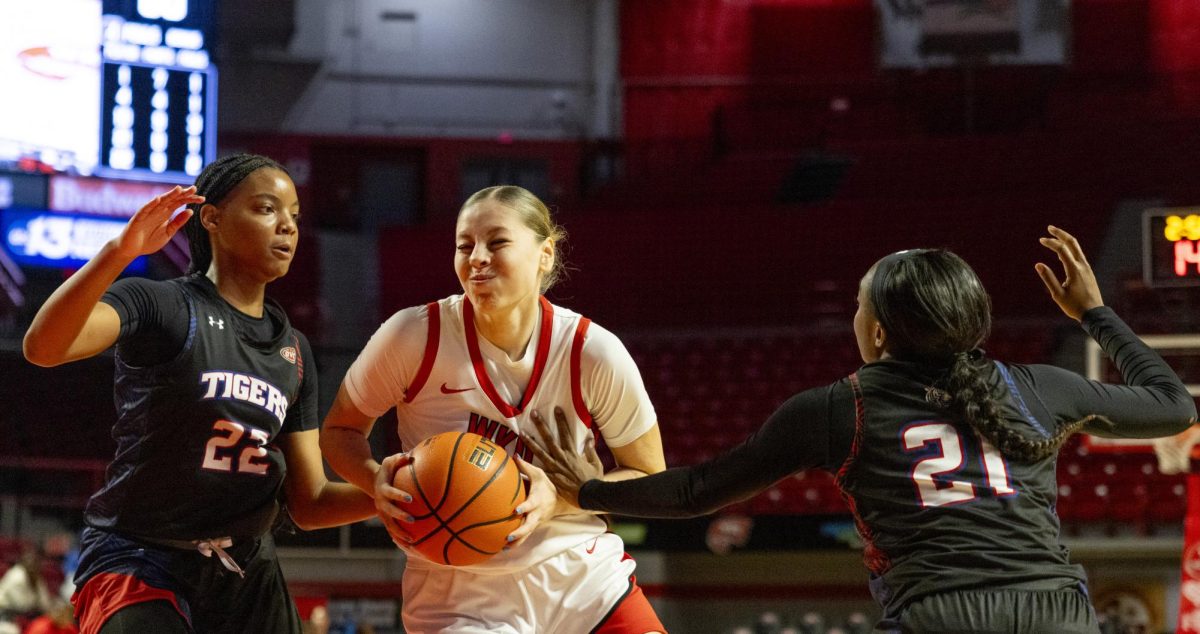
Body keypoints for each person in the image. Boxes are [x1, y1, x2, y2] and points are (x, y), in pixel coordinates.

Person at [523, 226, 1198, 634]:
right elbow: (1175, 405)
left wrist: (580, 492)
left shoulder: (837, 409)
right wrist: (1095, 313)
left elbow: (697, 490)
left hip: (942, 617)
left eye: (857, 305)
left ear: (875, 330)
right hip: (1058, 616)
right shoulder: (1039, 386)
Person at [23, 154, 378, 633]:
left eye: (294, 215)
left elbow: (310, 502)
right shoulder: (163, 304)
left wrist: (394, 493)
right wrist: (120, 252)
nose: (288, 227)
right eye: (267, 209)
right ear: (211, 218)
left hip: (247, 567)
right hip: (142, 555)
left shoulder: (294, 349)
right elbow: (44, 348)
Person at [320, 185, 668, 633]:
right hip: (456, 592)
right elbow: (340, 430)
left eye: (497, 242)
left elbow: (650, 479)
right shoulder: (412, 336)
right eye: (465, 246)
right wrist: (376, 483)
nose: (477, 257)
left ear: (545, 253)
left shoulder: (592, 351)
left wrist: (561, 499)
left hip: (581, 577)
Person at [0, 546, 53, 628]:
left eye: (35, 563)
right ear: (23, 562)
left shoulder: (35, 577)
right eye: (30, 562)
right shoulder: (17, 576)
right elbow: (21, 605)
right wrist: (37, 605)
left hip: (26, 615)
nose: (33, 566)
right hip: (6, 616)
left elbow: (45, 604)